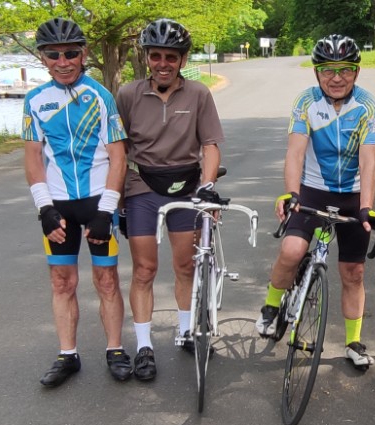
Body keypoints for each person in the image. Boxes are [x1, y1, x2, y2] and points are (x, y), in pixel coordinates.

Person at [255, 34, 375, 371]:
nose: (336, 77)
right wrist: (292, 193)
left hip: (353, 195)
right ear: (317, 72)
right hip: (313, 190)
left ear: (356, 71)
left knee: (353, 272)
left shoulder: (367, 105)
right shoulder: (306, 102)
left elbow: (369, 161)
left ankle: (353, 341)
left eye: (345, 69)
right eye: (328, 70)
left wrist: (367, 207)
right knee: (291, 251)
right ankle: (271, 306)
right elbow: (295, 152)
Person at [22, 18, 131, 387]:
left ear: (83, 54)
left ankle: (115, 350)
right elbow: (33, 157)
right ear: (42, 58)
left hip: (98, 200)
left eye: (70, 53)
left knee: (107, 279)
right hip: (58, 204)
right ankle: (67, 355)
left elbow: (118, 157)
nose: (63, 61)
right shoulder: (34, 100)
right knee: (61, 281)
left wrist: (107, 210)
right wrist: (44, 208)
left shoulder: (101, 96)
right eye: (53, 55)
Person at [116, 19, 225, 381]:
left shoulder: (198, 94)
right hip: (142, 186)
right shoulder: (128, 94)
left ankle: (186, 331)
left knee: (185, 266)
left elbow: (210, 145)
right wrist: (115, 200)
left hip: (186, 186)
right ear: (146, 57)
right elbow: (118, 149)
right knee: (144, 269)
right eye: (156, 56)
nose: (163, 64)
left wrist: (207, 186)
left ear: (183, 60)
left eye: (171, 57)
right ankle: (144, 346)